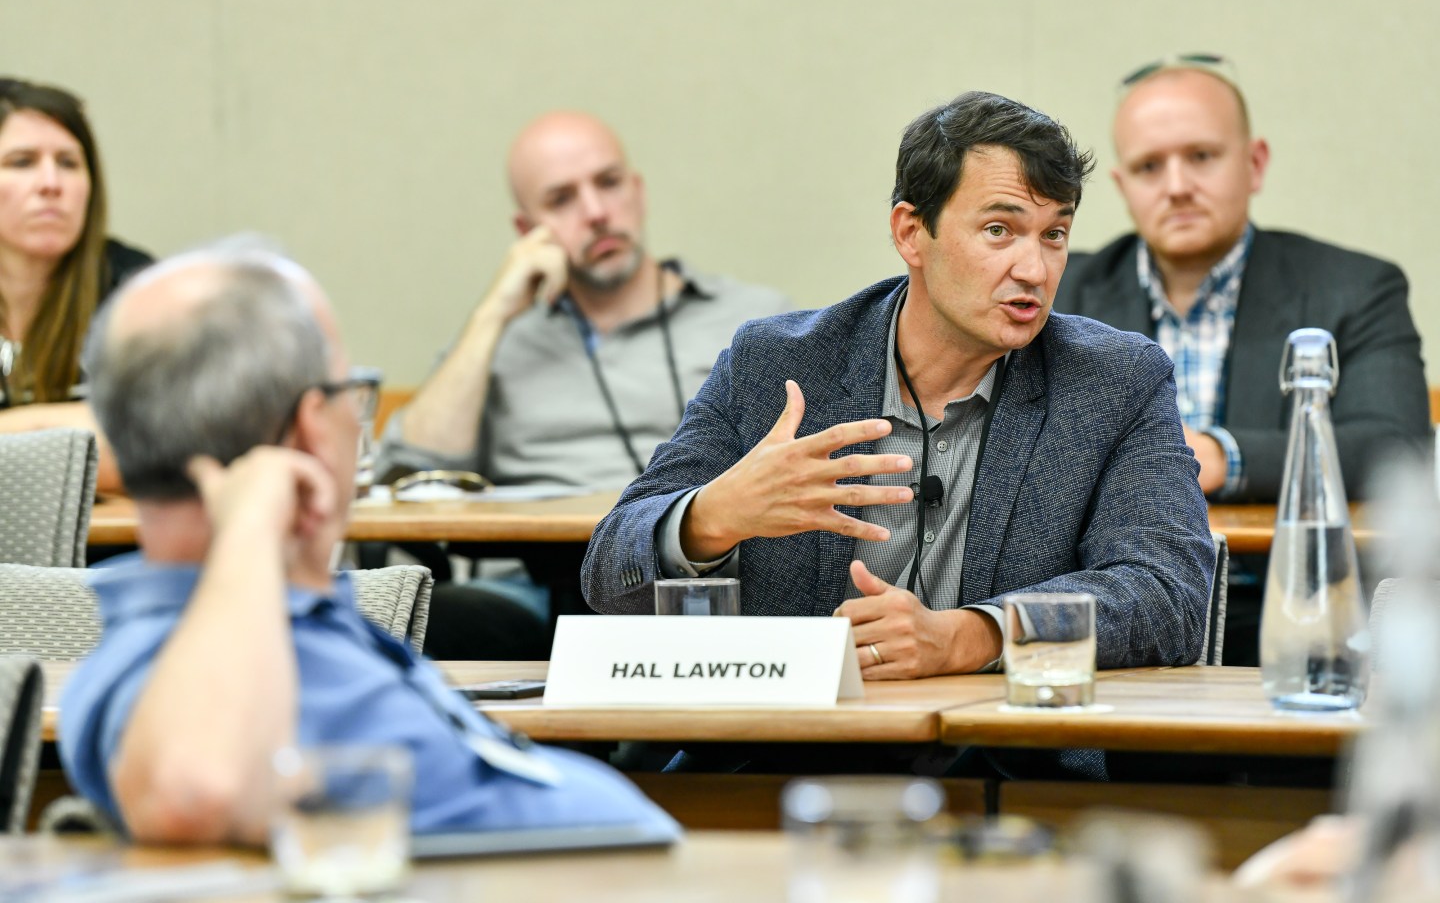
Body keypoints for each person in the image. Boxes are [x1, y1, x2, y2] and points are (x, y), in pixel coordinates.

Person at [58, 240, 678, 845]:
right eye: (346, 391)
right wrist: (250, 531)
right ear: (311, 428)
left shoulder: (243, 629)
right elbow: (191, 788)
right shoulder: (164, 669)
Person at [582, 91, 1213, 678]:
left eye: (1054, 235)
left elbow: (1171, 595)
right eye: (999, 230)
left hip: (1001, 747)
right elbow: (608, 572)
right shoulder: (777, 366)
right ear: (911, 232)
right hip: (792, 743)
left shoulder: (1115, 382)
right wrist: (711, 517)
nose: (1034, 268)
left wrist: (974, 635)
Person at [1055, 54, 1430, 504]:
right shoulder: (1058, 292)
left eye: (1201, 156)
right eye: (1149, 167)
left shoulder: (1356, 289)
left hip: (1273, 550)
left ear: (1255, 163)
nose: (1176, 187)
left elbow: (1397, 450)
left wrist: (1220, 457)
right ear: (1123, 187)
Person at [377, 110, 789, 490]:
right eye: (561, 199)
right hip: (537, 547)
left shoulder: (756, 320)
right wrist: (493, 313)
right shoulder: (498, 347)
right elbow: (411, 473)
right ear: (527, 231)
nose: (595, 213)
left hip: (700, 544)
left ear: (638, 193)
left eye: (609, 183)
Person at [0, 77, 153, 494]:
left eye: (68, 162)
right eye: (22, 162)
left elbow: (153, 446)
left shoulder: (137, 290)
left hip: (112, 535)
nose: (51, 183)